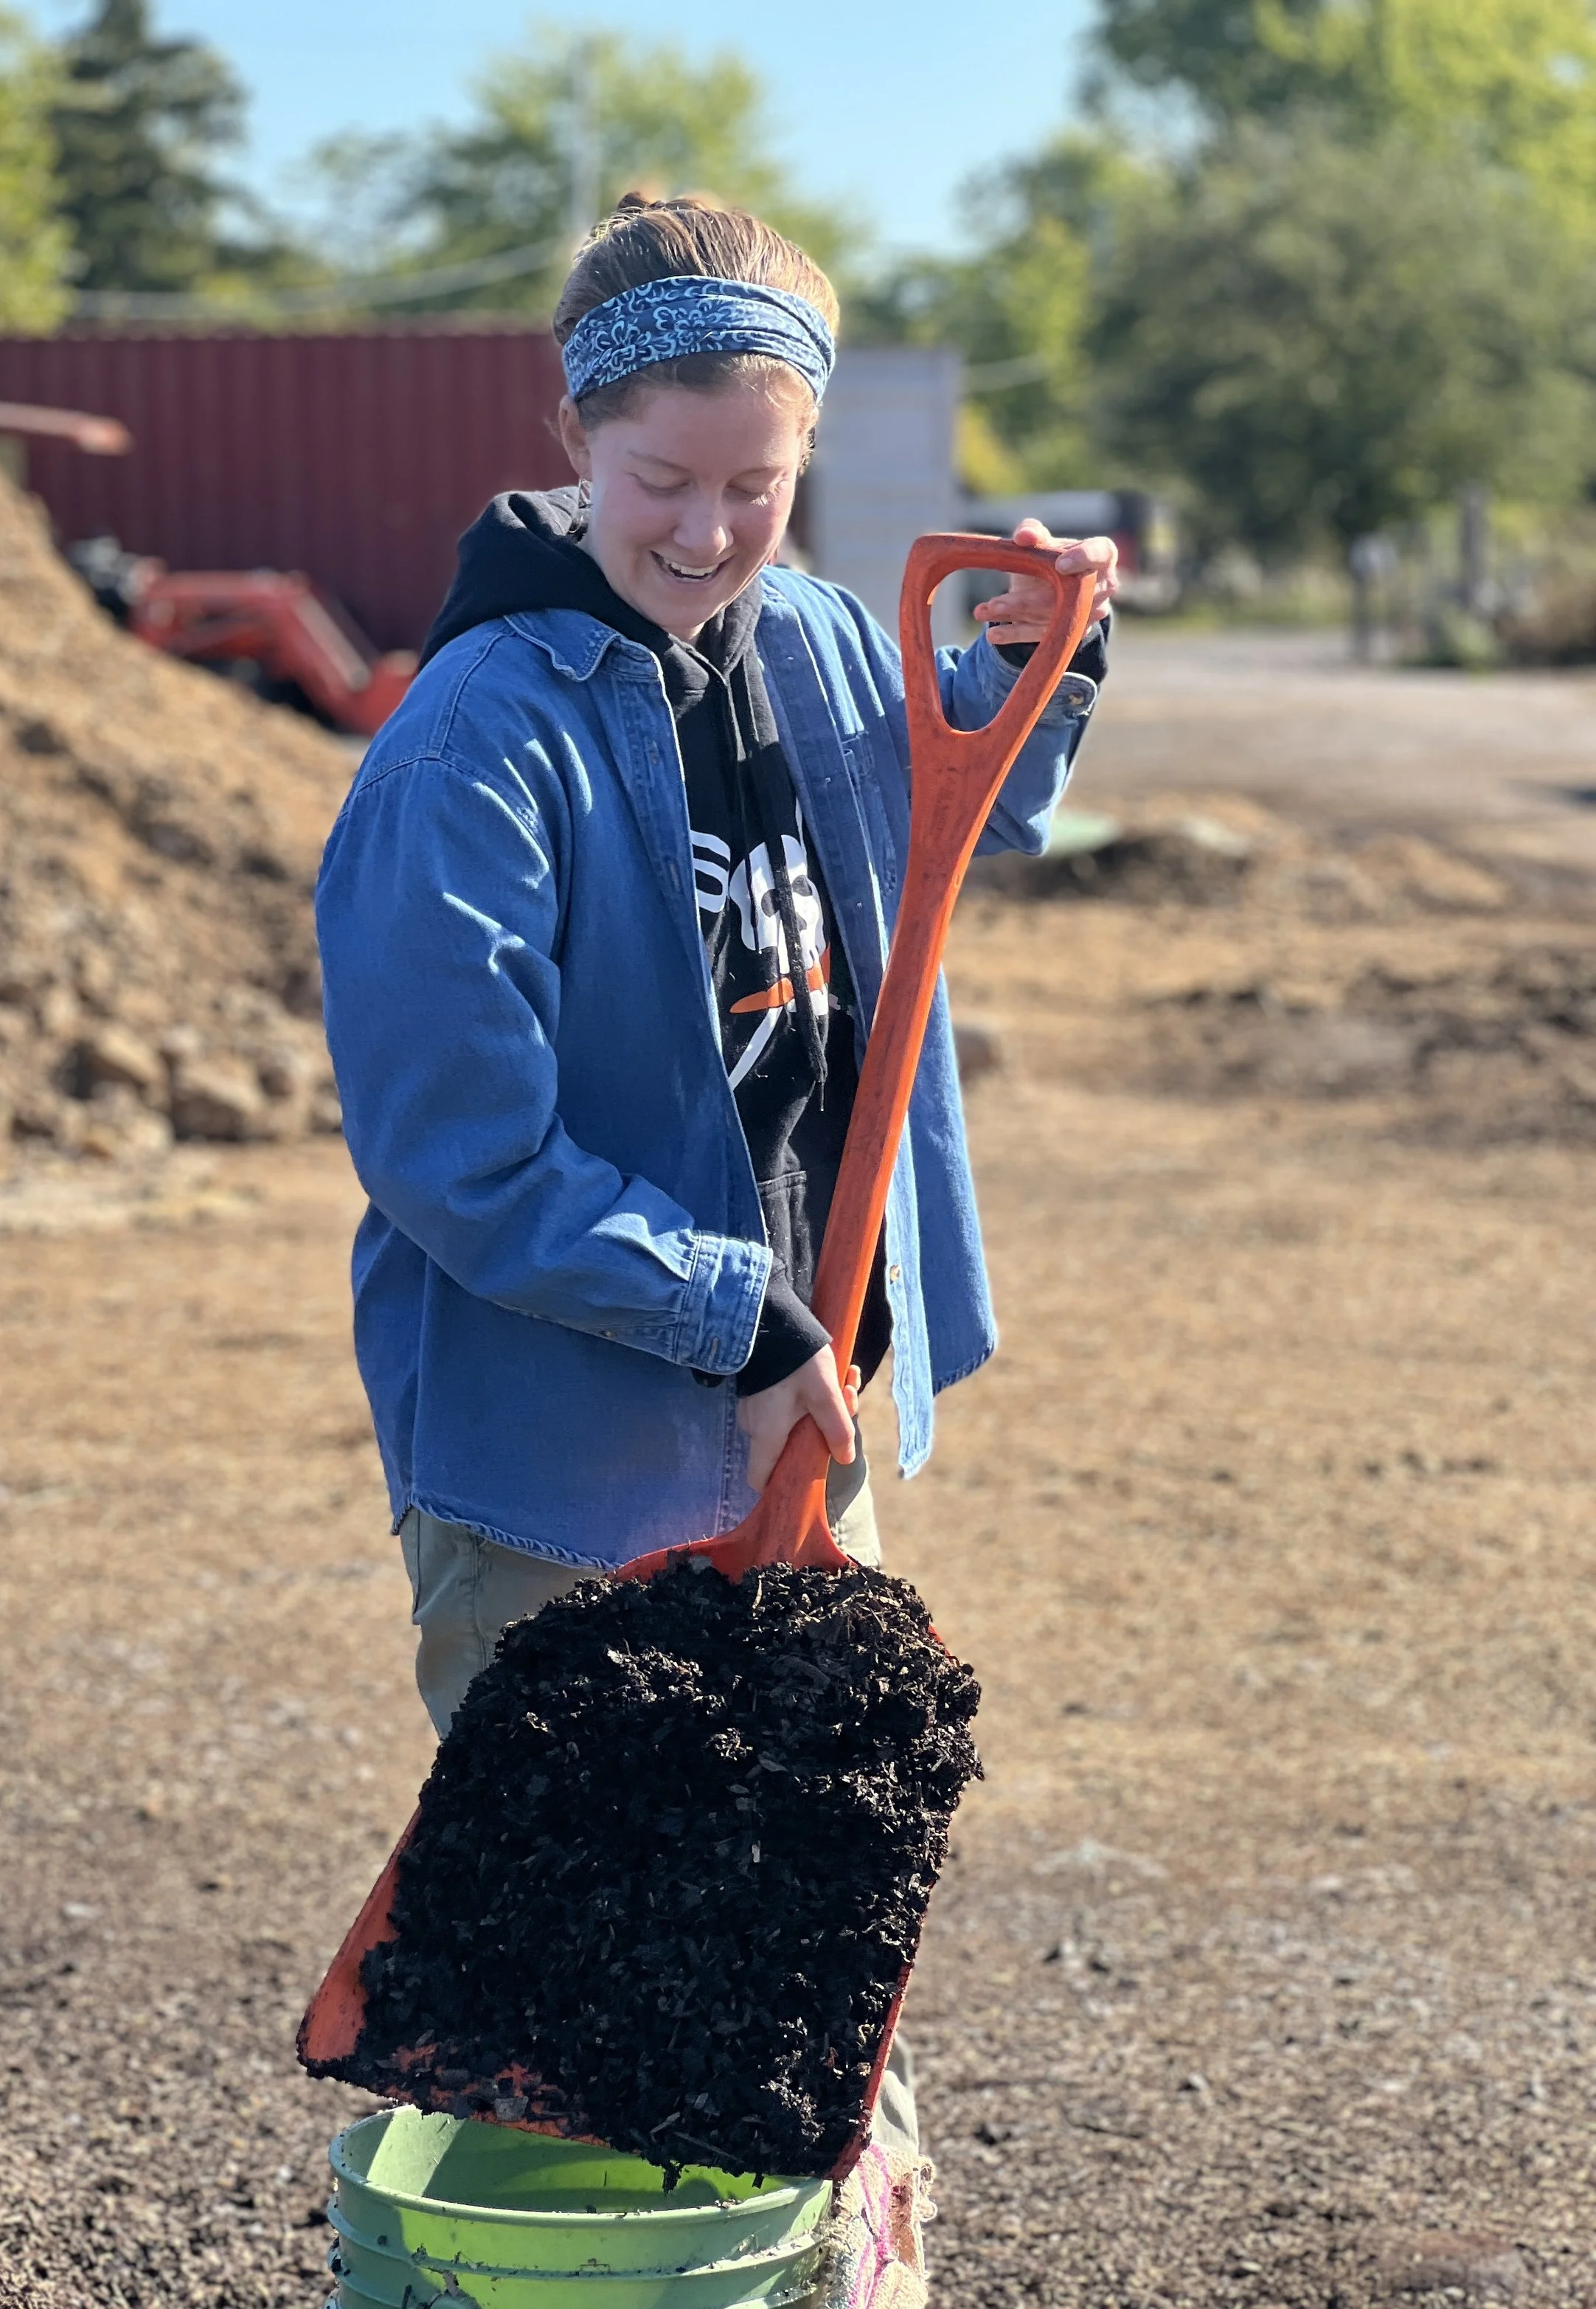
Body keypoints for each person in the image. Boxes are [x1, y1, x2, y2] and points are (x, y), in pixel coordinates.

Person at [316, 194, 1114, 1737]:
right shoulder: (468, 749)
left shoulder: (814, 635)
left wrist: (1039, 655)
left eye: (757, 486)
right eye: (661, 481)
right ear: (575, 438)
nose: (706, 534)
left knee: (796, 1872)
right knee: (581, 1888)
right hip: (568, 1475)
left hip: (801, 1420)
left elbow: (971, 799)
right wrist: (736, 1321)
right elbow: (457, 1154)